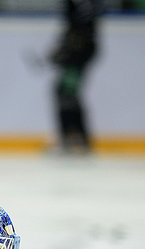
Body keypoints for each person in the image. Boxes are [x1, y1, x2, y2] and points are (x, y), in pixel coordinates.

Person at [49, 0, 104, 153]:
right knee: (67, 92)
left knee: (65, 93)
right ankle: (76, 137)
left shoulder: (80, 4)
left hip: (79, 52)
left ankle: (72, 137)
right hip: (81, 50)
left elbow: (80, 26)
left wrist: (67, 47)